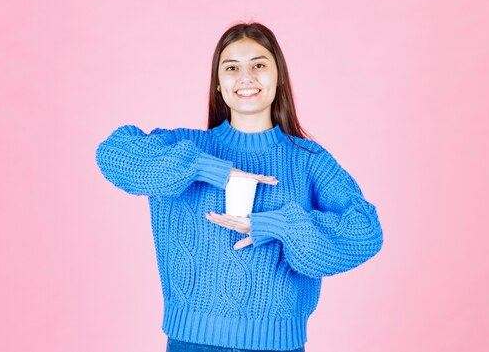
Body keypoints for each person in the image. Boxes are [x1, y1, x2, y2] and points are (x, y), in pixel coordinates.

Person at [95, 22, 384, 352]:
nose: (246, 77)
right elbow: (113, 152)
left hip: (278, 346)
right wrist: (211, 169)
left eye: (259, 65)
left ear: (279, 77)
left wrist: (278, 225)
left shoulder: (309, 160)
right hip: (192, 343)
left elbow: (365, 231)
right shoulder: (185, 145)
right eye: (231, 67)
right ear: (218, 84)